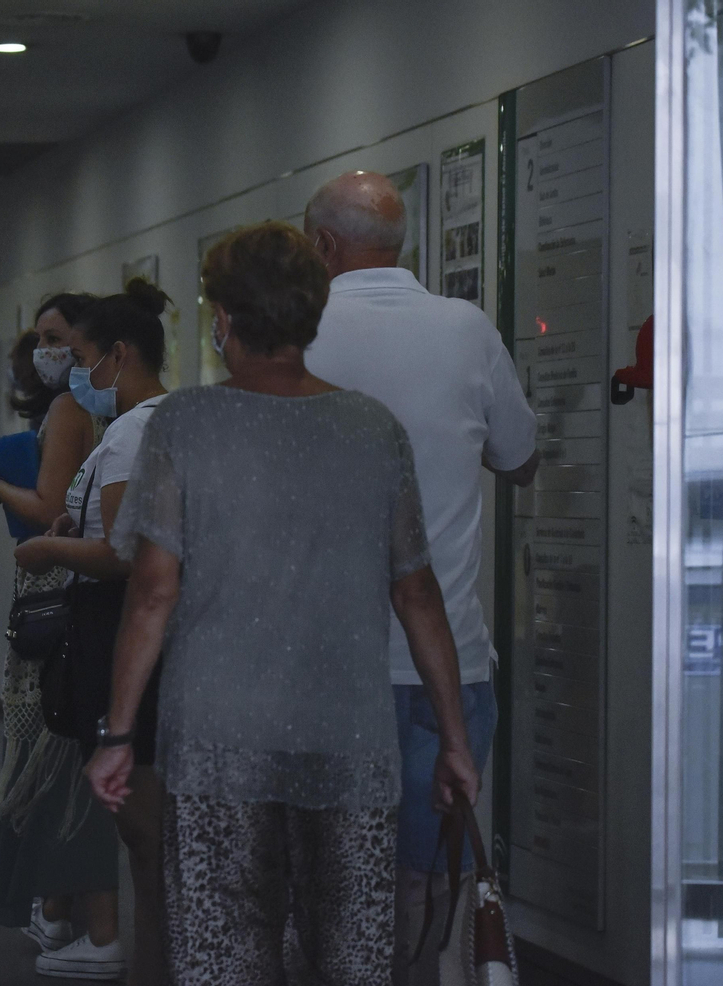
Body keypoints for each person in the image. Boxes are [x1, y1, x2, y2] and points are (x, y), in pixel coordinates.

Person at [84, 222, 481, 986]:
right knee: (349, 960)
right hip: (349, 742)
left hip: (216, 743)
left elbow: (153, 592)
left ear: (223, 319)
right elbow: (417, 594)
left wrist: (118, 734)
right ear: (311, 313)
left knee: (221, 954)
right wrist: (454, 740)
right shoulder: (373, 429)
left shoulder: (184, 424)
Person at [301, 171, 537, 985]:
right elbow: (522, 457)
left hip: (324, 671)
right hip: (449, 670)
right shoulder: (466, 330)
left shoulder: (295, 334)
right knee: (435, 893)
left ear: (322, 246)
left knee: (331, 890)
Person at [15, 279, 171, 983]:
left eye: (80, 356)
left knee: (145, 832)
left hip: (115, 631)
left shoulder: (139, 430)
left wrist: (49, 550)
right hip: (119, 630)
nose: (76, 373)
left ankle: (159, 958)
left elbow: (125, 555)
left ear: (118, 355)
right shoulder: (141, 425)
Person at [0, 296, 124, 972]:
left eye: (57, 338)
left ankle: (79, 915)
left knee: (50, 748)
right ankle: (62, 908)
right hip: (87, 597)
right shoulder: (104, 410)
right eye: (39, 338)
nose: (46, 351)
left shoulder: (70, 410)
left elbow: (50, 507)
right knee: (64, 750)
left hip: (57, 591)